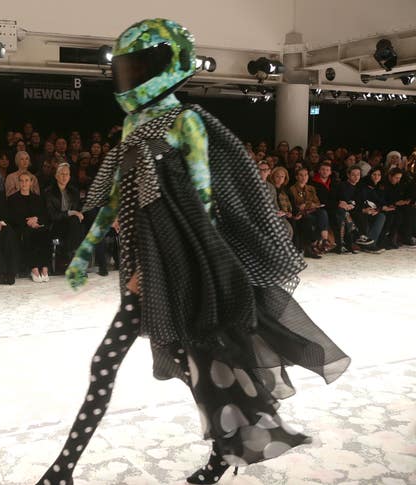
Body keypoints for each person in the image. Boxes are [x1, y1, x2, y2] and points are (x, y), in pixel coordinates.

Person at [36, 18, 350, 485]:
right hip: (152, 269)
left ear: (169, 65)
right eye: (125, 69)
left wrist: (191, 269)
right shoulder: (134, 125)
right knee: (196, 370)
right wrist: (87, 246)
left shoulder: (188, 122)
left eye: (138, 66)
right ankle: (226, 447)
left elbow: (204, 203)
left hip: (181, 272)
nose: (129, 78)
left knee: (160, 365)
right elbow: (122, 193)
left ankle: (64, 471)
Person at [7, 171, 51, 283]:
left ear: (31, 182)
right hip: (21, 228)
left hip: (37, 225)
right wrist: (27, 222)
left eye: (27, 180)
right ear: (18, 183)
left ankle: (45, 267)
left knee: (44, 232)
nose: (24, 183)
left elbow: (46, 215)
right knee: (29, 233)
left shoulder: (38, 198)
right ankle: (34, 268)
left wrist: (37, 220)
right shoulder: (12, 199)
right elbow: (10, 217)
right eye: (21, 181)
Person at [45, 162, 84, 270]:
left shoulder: (74, 191)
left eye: (67, 174)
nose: (64, 176)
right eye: (61, 174)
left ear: (70, 177)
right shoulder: (49, 192)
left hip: (72, 225)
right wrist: (69, 213)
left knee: (76, 222)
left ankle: (71, 259)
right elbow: (52, 215)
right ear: (56, 176)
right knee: (75, 222)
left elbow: (79, 209)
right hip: (56, 225)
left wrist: (76, 214)